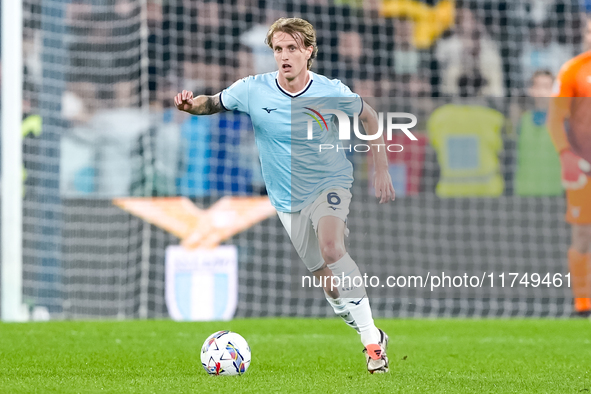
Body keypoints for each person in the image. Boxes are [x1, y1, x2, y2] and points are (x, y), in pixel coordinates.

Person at [174, 17, 395, 373]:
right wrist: (190, 105)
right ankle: (371, 330)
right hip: (286, 198)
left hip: (330, 182)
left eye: (292, 48)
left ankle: (371, 346)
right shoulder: (253, 89)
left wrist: (381, 167)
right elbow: (212, 103)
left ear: (309, 51)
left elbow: (369, 116)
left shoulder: (329, 90)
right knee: (331, 286)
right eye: (278, 49)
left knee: (332, 247)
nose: (284, 56)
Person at [547, 17, 591, 317]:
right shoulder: (573, 69)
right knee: (582, 236)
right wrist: (566, 156)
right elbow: (555, 119)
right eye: (589, 30)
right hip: (584, 167)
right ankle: (583, 303)